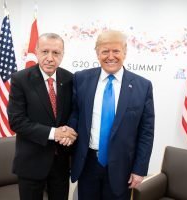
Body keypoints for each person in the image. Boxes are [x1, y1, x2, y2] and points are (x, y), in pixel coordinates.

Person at [69, 30, 155, 200]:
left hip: (122, 166)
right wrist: (68, 130)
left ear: (125, 52)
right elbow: (75, 114)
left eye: (116, 51)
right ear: (97, 53)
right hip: (88, 163)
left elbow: (146, 132)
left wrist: (140, 168)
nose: (110, 56)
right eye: (105, 51)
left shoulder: (142, 86)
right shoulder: (81, 79)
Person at [7, 33, 77, 200]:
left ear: (62, 55)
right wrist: (55, 133)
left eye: (56, 53)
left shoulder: (70, 79)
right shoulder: (20, 79)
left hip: (60, 163)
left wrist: (69, 131)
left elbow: (73, 113)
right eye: (45, 51)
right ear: (36, 52)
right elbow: (17, 121)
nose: (50, 58)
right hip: (31, 163)